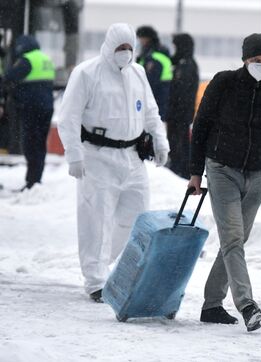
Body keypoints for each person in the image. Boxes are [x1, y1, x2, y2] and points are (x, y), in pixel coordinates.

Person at [188, 33, 261, 332]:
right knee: (232, 238)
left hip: (256, 174)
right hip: (222, 170)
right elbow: (201, 125)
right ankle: (247, 305)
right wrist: (194, 172)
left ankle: (212, 305)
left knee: (236, 241)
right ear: (245, 60)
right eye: (256, 60)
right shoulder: (224, 83)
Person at [58, 23, 169, 303]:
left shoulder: (138, 73)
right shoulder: (86, 73)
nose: (126, 53)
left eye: (130, 48)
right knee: (96, 219)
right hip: (97, 156)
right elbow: (68, 117)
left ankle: (107, 264)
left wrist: (160, 140)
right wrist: (74, 155)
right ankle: (95, 281)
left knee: (136, 217)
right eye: (121, 48)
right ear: (109, 47)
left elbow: (151, 112)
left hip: (132, 157)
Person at [3, 35, 54, 191]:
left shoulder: (27, 60)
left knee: (30, 144)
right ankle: (36, 179)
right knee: (39, 145)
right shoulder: (46, 59)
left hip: (32, 109)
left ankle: (32, 182)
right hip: (46, 108)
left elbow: (8, 76)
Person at [166, 33, 199, 179]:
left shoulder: (187, 65)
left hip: (181, 112)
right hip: (177, 112)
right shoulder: (181, 63)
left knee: (180, 142)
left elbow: (182, 90)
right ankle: (179, 167)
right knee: (177, 141)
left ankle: (181, 170)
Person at [136, 25, 172, 121]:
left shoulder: (153, 57)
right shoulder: (155, 52)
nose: (139, 41)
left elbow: (151, 82)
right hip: (160, 99)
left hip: (155, 100)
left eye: (141, 38)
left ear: (147, 38)